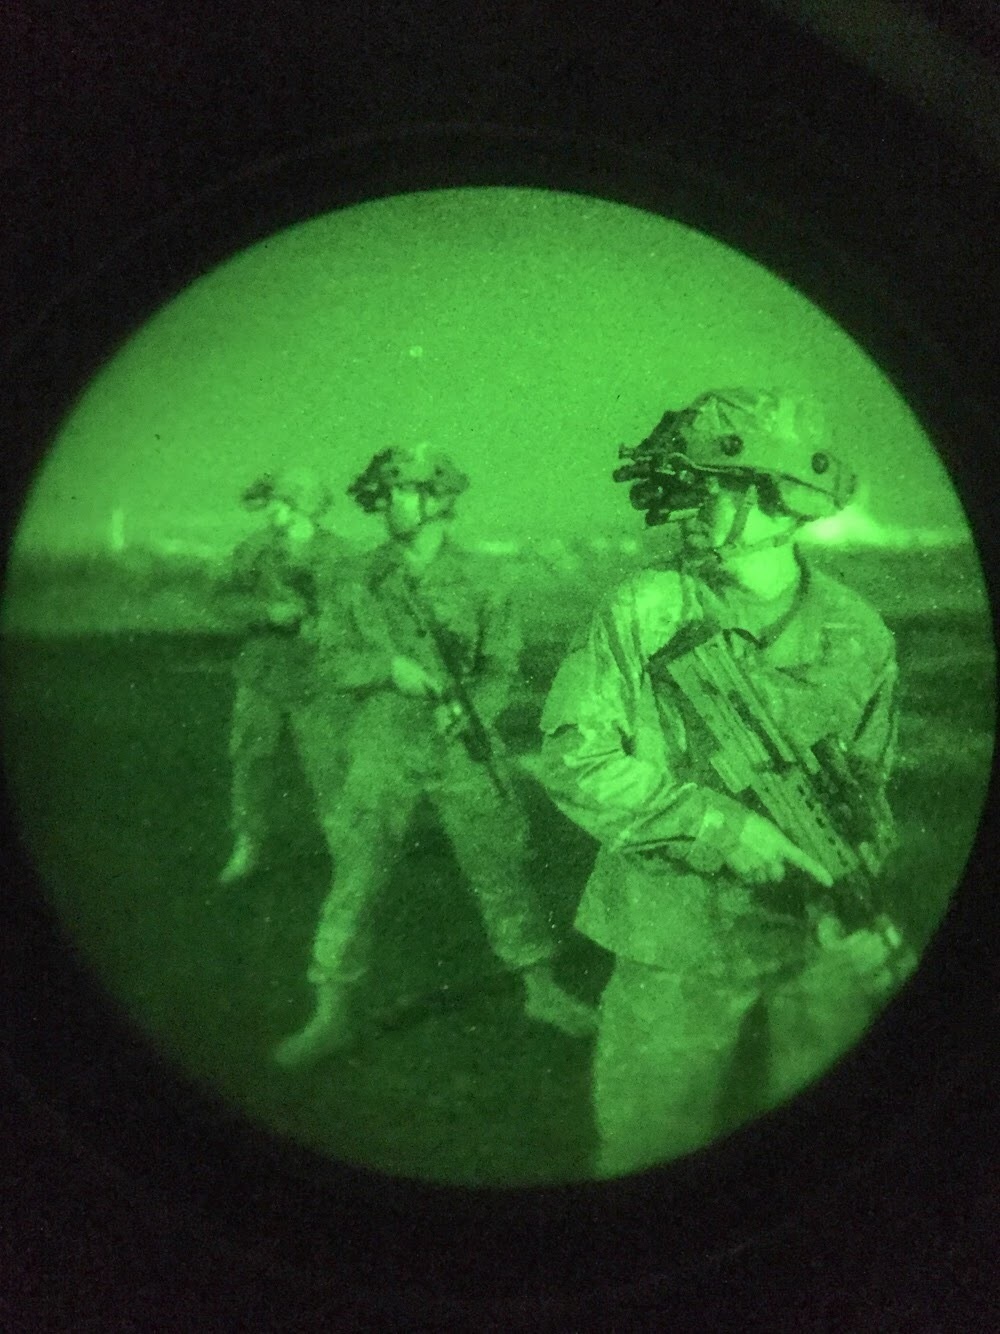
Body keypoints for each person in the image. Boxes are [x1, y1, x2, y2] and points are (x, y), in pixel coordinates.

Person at [536, 387, 912, 1177]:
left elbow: (868, 786)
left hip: (817, 941)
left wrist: (859, 887)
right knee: (647, 1154)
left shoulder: (859, 633)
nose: (686, 510)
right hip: (673, 941)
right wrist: (720, 827)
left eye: (709, 489)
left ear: (777, 499)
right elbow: (574, 760)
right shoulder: (643, 608)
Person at [273, 442, 596, 1069]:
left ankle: (541, 988)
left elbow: (502, 666)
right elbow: (331, 662)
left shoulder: (483, 578)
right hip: (383, 742)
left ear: (438, 500)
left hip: (462, 745)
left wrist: (470, 708)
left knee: (499, 864)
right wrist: (387, 668)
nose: (389, 504)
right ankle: (330, 1010)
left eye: (404, 492)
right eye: (386, 493)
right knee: (358, 872)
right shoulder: (356, 577)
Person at [216, 465, 349, 886]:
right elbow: (221, 598)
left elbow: (356, 614)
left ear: (299, 504)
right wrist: (264, 613)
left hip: (319, 677)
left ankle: (344, 851)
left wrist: (322, 625)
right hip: (261, 674)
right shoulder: (254, 550)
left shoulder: (340, 555)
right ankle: (248, 844)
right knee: (251, 762)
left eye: (278, 501)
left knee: (329, 768)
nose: (271, 509)